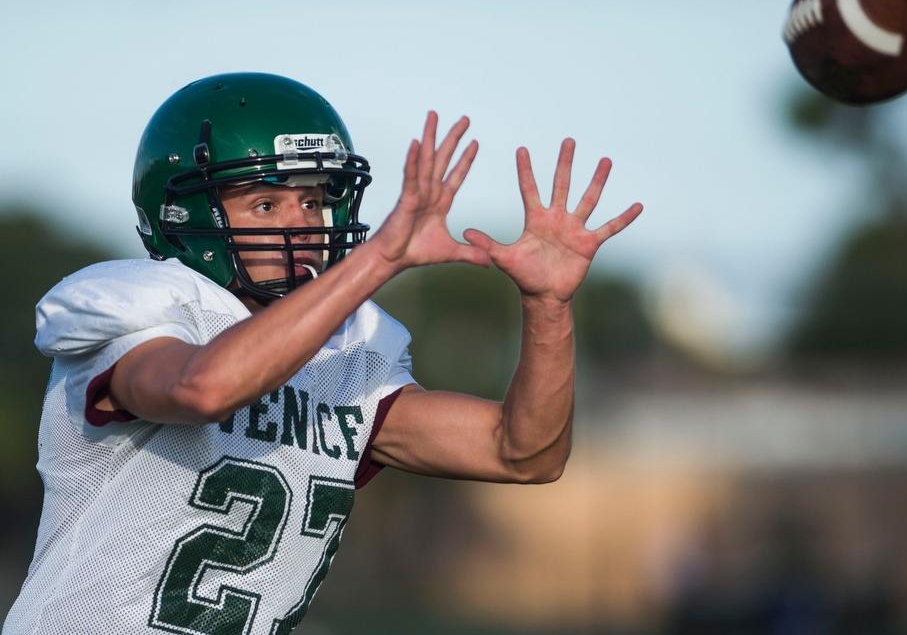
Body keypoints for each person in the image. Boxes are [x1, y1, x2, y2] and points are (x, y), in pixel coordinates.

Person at [3, 72, 642, 634]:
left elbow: (523, 453)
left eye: (314, 199)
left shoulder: (350, 350)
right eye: (265, 202)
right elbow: (203, 389)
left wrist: (548, 308)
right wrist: (378, 261)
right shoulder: (141, 310)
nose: (302, 223)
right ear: (183, 214)